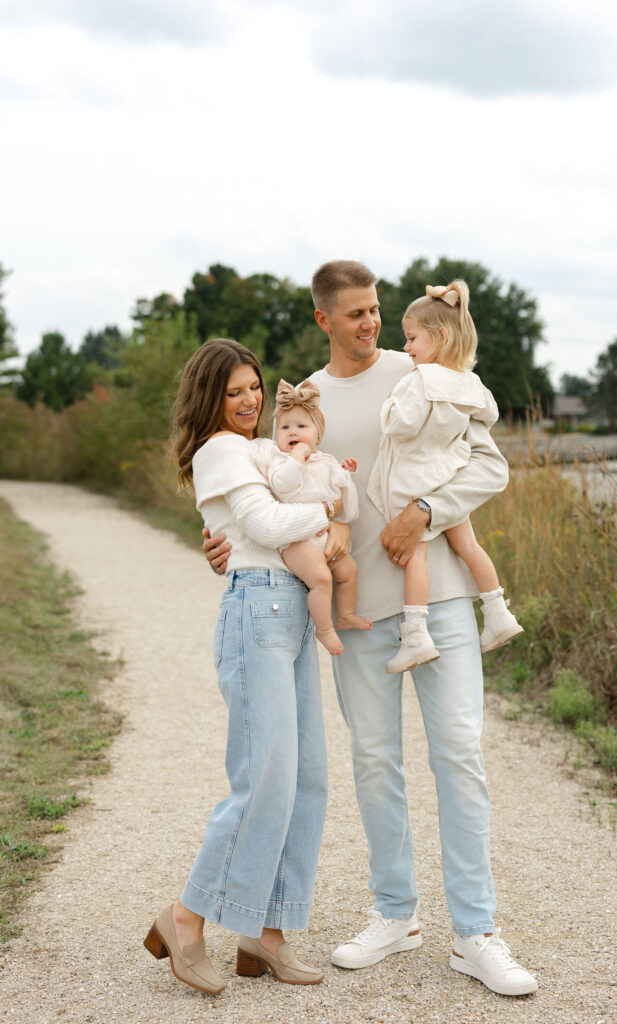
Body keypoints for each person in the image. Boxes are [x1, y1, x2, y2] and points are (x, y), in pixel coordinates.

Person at [204, 264, 538, 997]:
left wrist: (424, 511)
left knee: (458, 753)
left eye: (377, 310)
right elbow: (265, 489)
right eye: (354, 314)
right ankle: (394, 913)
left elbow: (490, 465)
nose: (371, 324)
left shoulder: (423, 367)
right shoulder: (304, 400)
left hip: (440, 598)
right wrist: (223, 541)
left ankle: (476, 932)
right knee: (375, 763)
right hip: (356, 615)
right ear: (323, 320)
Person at [144, 338, 347, 994]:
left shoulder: (262, 449)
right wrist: (327, 513)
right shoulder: (220, 449)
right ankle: (185, 918)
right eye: (234, 392)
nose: (250, 400)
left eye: (253, 387)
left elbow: (260, 523)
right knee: (263, 780)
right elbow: (261, 526)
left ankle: (266, 936)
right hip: (256, 613)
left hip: (288, 610)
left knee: (306, 779)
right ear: (211, 398)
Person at [367, 279, 523, 675]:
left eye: (412, 338)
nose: (406, 348)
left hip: (416, 480)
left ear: (439, 336)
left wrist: (388, 406)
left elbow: (402, 426)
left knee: (416, 557)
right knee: (470, 547)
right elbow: (487, 417)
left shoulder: (420, 380)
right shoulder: (471, 383)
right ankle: (498, 612)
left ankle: (416, 635)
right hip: (448, 475)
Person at [251, 377, 372, 656]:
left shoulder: (325, 461)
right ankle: (325, 629)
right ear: (276, 435)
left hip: (325, 535)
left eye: (301, 427)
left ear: (318, 435)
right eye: (285, 427)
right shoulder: (279, 462)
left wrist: (345, 474)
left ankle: (345, 613)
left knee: (348, 571)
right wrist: (297, 457)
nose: (293, 432)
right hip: (297, 541)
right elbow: (283, 486)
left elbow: (340, 499)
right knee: (321, 577)